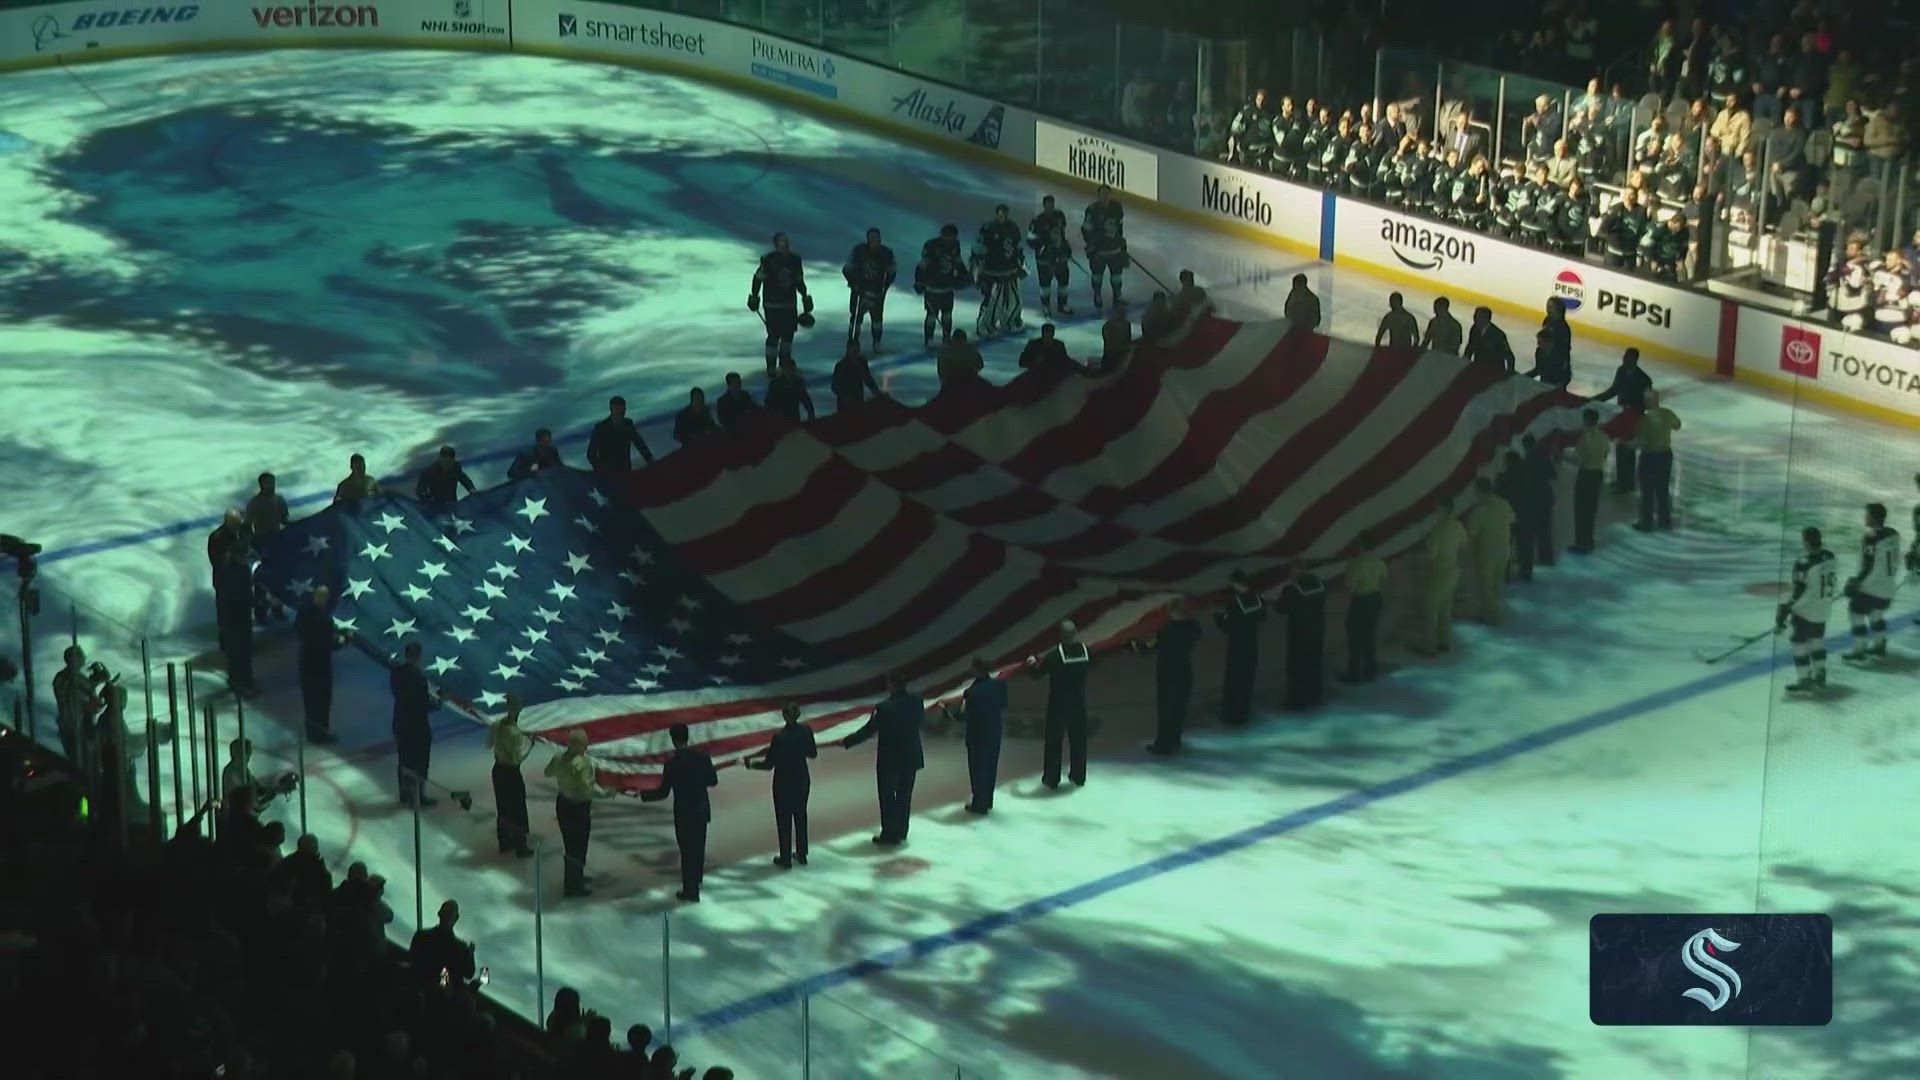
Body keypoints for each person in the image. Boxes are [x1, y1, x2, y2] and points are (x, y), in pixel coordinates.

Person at [841, 674, 925, 843]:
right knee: (904, 795)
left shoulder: (885, 707)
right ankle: (901, 830)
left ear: (891, 685)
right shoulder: (917, 701)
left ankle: (889, 833)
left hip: (890, 760)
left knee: (888, 797)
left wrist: (847, 741)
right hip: (911, 756)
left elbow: (869, 730)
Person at [640, 723, 718, 902]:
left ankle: (690, 890)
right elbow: (713, 781)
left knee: (686, 850)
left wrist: (643, 795)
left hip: (684, 812)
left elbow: (662, 793)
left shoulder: (672, 763)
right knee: (698, 846)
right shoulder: (703, 757)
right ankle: (696, 879)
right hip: (700, 808)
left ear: (673, 740)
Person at [745, 703, 816, 866]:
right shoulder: (806, 731)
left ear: (784, 716)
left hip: (783, 782)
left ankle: (785, 857)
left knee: (784, 820)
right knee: (800, 815)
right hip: (802, 779)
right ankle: (801, 853)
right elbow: (813, 754)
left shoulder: (779, 738)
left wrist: (751, 765)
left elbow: (769, 764)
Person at [1030, 620, 1094, 787]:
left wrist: (1031, 664)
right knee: (1079, 740)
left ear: (1060, 635)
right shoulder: (1086, 651)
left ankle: (1052, 778)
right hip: (1079, 702)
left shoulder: (1055, 655)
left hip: (1058, 704)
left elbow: (1037, 674)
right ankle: (1079, 776)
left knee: (1054, 741)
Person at [1776, 526, 1838, 695]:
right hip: (1824, 609)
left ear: (1806, 541)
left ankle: (1804, 680)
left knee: (1798, 643)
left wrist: (1785, 608)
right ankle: (1820, 674)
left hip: (1806, 611)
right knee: (1816, 640)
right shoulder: (1830, 556)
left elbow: (1799, 590)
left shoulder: (1803, 563)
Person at [546, 730, 603, 897]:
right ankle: (573, 885)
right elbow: (586, 787)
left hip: (563, 803)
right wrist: (608, 792)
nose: (587, 747)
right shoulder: (583, 763)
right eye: (584, 744)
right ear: (578, 745)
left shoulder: (558, 758)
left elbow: (548, 772)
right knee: (579, 845)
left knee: (570, 845)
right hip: (578, 807)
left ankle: (575, 878)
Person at [749, 232, 813, 375]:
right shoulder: (768, 260)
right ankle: (771, 366)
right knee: (773, 334)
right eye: (781, 242)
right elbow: (758, 278)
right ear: (776, 244)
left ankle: (785, 364)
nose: (784, 245)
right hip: (772, 303)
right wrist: (754, 295)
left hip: (789, 303)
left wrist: (804, 296)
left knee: (788, 335)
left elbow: (799, 280)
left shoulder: (795, 260)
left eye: (785, 242)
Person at [210, 510, 258, 697]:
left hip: (239, 608)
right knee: (239, 649)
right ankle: (242, 682)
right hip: (235, 610)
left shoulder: (242, 535)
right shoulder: (218, 540)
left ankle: (239, 680)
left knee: (240, 649)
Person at [1843, 503, 1899, 662]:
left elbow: (1869, 565)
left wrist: (1855, 582)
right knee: (1876, 614)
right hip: (1888, 587)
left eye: (1866, 515)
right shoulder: (1893, 533)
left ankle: (1859, 649)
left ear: (1873, 518)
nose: (1864, 517)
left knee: (1856, 614)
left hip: (1871, 587)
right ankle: (1880, 645)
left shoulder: (1871, 537)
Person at [1590, 348, 1652, 493]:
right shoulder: (1621, 371)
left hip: (1634, 417)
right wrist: (1595, 400)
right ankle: (1622, 480)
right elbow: (1614, 390)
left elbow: (1646, 402)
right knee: (1620, 447)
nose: (1624, 360)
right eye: (1624, 357)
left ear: (1634, 360)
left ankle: (1628, 482)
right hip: (1622, 415)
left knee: (1628, 448)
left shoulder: (1644, 380)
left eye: (1628, 358)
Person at [950, 657, 1007, 809]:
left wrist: (949, 713)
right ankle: (987, 800)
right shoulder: (1000, 685)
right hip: (994, 732)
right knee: (990, 768)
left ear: (976, 669)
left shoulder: (971, 692)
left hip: (977, 735)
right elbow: (1003, 705)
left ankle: (979, 803)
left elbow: (964, 715)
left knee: (977, 770)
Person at [1147, 599, 1202, 754]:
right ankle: (1175, 740)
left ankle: (1163, 745)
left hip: (1168, 672)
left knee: (1166, 710)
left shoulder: (1167, 630)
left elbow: (1153, 647)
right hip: (1184, 670)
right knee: (1179, 708)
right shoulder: (1193, 626)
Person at [1412, 502, 1465, 655]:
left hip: (1440, 571)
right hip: (1454, 570)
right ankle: (1444, 641)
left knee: (1430, 608)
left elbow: (1432, 554)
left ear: (1443, 510)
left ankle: (1429, 647)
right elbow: (1463, 544)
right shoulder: (1458, 525)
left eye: (1437, 510)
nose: (1435, 513)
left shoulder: (1438, 529)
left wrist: (1425, 541)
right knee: (1445, 607)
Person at [487, 693, 535, 858]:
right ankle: (520, 845)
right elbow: (517, 759)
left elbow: (487, 744)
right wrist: (530, 744)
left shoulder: (496, 725)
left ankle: (505, 842)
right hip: (511, 772)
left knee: (503, 807)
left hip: (497, 770)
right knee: (518, 809)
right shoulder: (514, 733)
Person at [1216, 571, 1265, 725]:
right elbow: (1263, 616)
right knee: (1247, 680)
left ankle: (1232, 715)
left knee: (1234, 680)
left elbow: (1226, 627)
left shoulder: (1235, 604)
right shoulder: (1257, 599)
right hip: (1251, 644)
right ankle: (1244, 712)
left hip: (1237, 646)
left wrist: (1217, 617)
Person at [391, 640, 436, 807]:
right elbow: (422, 704)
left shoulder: (396, 672)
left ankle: (405, 794)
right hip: (417, 726)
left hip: (400, 722)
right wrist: (438, 702)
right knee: (420, 761)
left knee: (404, 759)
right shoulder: (418, 677)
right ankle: (418, 796)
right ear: (418, 656)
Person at [295, 585, 342, 743]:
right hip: (320, 664)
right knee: (321, 700)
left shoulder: (303, 613)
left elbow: (299, 630)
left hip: (306, 660)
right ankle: (321, 732)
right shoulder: (324, 619)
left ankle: (312, 732)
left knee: (309, 699)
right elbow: (329, 642)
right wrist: (342, 640)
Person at [1466, 477, 1516, 625]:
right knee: (1497, 582)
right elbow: (1512, 519)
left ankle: (1491, 617)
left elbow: (1472, 533)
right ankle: (1492, 612)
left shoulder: (1479, 511)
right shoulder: (1503, 504)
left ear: (1479, 491)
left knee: (1485, 584)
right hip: (1504, 549)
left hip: (1487, 551)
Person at [972, 204, 1027, 339]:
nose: (1003, 217)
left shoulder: (1013, 227)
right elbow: (978, 251)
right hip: (993, 272)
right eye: (1001, 215)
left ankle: (1011, 321)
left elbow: (1018, 248)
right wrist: (978, 272)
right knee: (991, 300)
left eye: (1005, 215)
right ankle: (984, 325)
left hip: (1011, 270)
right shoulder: (988, 229)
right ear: (997, 215)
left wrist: (1021, 264)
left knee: (1014, 299)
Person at [1276, 570, 1327, 709]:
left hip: (1299, 633)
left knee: (1297, 667)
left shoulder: (1292, 589)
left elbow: (1280, 608)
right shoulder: (1321, 584)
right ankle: (1315, 695)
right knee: (1315, 663)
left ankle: (1297, 700)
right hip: (1317, 630)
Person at [914, 223, 970, 349]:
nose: (950, 239)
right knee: (931, 315)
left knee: (947, 314)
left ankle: (946, 338)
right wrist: (920, 281)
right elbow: (922, 265)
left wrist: (965, 275)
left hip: (947, 287)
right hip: (932, 287)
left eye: (953, 237)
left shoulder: (955, 245)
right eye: (948, 236)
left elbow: (958, 262)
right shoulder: (931, 245)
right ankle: (929, 339)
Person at [1633, 389, 1681, 531]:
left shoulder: (1644, 420)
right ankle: (1664, 520)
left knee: (1647, 490)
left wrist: (1626, 444)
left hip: (1650, 456)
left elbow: (1640, 441)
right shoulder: (1667, 413)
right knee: (1662, 489)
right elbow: (1677, 425)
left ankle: (1646, 522)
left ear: (1649, 401)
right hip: (1665, 455)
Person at [842, 227, 896, 354]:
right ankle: (853, 342)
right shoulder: (858, 251)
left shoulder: (886, 253)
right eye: (872, 238)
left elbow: (892, 271)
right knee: (856, 318)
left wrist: (885, 286)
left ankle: (877, 343)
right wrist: (854, 284)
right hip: (859, 292)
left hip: (877, 291)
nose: (874, 241)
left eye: (876, 238)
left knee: (877, 319)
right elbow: (847, 269)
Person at [1342, 533, 1387, 682]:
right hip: (1375, 599)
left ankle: (1353, 673)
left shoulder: (1356, 563)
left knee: (1355, 638)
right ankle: (1370, 671)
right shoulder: (1379, 561)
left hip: (1361, 600)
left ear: (1360, 546)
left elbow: (1349, 586)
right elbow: (1384, 580)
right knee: (1369, 636)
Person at [408, 900, 478, 989]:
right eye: (447, 912)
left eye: (450, 913)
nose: (448, 916)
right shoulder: (461, 948)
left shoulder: (422, 935)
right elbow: (468, 974)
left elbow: (469, 973)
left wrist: (470, 955)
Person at [1567, 408, 1610, 553]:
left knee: (1581, 510)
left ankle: (1581, 542)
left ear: (1586, 420)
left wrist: (1564, 456)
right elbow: (1605, 454)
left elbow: (1580, 459)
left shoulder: (1585, 438)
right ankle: (1589, 540)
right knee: (1591, 509)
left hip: (1586, 474)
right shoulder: (1603, 436)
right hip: (1598, 474)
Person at [51, 645, 101, 766]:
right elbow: (86, 700)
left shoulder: (63, 677)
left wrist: (94, 683)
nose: (84, 660)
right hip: (77, 727)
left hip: (72, 726)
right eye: (81, 657)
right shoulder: (70, 679)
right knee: (84, 764)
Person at [1081, 183, 1128, 311]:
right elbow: (1086, 230)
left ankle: (1117, 297)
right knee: (1097, 277)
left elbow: (1120, 228)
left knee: (1117, 277)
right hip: (1099, 251)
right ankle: (1097, 295)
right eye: (1102, 193)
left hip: (1114, 250)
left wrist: (1121, 242)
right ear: (1098, 195)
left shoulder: (1117, 208)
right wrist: (1091, 245)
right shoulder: (1092, 209)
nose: (1105, 196)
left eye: (1107, 193)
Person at [1027, 195, 1074, 318]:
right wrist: (1044, 245)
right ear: (1044, 206)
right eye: (1048, 205)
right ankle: (1046, 306)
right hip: (1044, 260)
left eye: (1052, 205)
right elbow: (1030, 241)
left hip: (1060, 257)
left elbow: (1062, 236)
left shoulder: (1060, 217)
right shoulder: (1037, 221)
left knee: (1063, 281)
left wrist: (1066, 249)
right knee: (1045, 284)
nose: (1050, 208)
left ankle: (1062, 305)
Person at [587, 396, 656, 475]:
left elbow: (639, 443)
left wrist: (649, 458)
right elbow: (591, 454)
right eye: (616, 409)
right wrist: (600, 470)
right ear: (611, 409)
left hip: (625, 470)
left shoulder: (628, 424)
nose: (619, 412)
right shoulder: (601, 428)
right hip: (608, 473)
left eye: (621, 409)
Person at [1521, 433, 1558, 567]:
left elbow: (1525, 479)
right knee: (1545, 529)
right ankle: (1546, 557)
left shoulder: (1528, 458)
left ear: (1526, 445)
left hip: (1534, 499)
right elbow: (1554, 474)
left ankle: (1531, 559)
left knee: (1531, 530)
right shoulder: (1545, 456)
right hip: (1547, 497)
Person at [1526, 297, 1573, 388]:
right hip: (1548, 361)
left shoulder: (1562, 327)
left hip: (1557, 365)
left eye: (1551, 306)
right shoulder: (1548, 320)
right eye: (1548, 305)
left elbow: (1564, 350)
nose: (1547, 308)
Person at [1017, 323, 1087, 377]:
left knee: (1073, 365)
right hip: (1038, 374)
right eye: (1046, 333)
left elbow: (1066, 360)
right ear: (1042, 334)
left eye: (1050, 333)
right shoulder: (1033, 345)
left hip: (1054, 374)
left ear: (1053, 334)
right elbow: (1022, 362)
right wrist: (1035, 361)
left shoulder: (1059, 345)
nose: (1048, 336)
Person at [831, 343, 883, 412]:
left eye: (857, 351)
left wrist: (877, 392)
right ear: (848, 351)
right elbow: (835, 386)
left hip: (858, 400)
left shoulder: (862, 362)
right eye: (853, 352)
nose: (855, 355)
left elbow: (868, 379)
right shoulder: (841, 366)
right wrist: (845, 398)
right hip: (844, 405)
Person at [1462, 306, 1514, 371]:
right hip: (1478, 367)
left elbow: (1509, 356)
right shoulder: (1474, 329)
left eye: (1478, 317)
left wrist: (1509, 372)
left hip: (1494, 370)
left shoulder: (1498, 334)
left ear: (1486, 319)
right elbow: (1470, 346)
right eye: (1475, 316)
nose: (1475, 319)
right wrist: (1465, 360)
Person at [935, 330, 987, 394]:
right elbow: (980, 365)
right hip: (970, 381)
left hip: (951, 383)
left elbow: (941, 370)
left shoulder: (945, 351)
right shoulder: (971, 349)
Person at [1099, 300, 1133, 373]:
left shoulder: (1127, 324)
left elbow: (1128, 341)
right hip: (1112, 359)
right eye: (1121, 311)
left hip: (1123, 357)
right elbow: (1110, 347)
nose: (1124, 314)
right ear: (1115, 312)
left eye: (1124, 311)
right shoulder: (1108, 326)